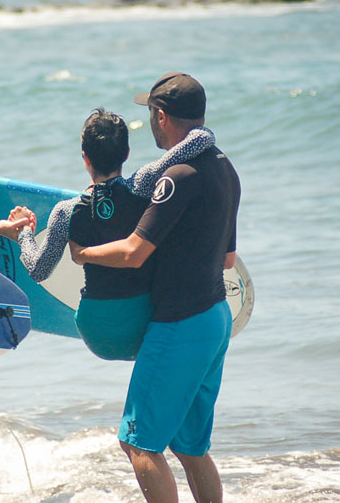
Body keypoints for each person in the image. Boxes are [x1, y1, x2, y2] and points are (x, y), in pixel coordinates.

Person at [70, 72, 241, 503]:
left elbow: (133, 252)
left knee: (139, 442)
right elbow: (228, 260)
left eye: (150, 113)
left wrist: (83, 253)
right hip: (215, 318)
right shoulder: (224, 167)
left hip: (180, 324)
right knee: (189, 447)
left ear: (161, 117)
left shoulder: (177, 176)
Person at [6, 108, 215, 360]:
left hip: (96, 331)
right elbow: (202, 138)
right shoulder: (144, 184)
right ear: (126, 153)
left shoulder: (66, 212)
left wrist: (24, 234)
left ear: (85, 158)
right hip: (144, 324)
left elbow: (39, 270)